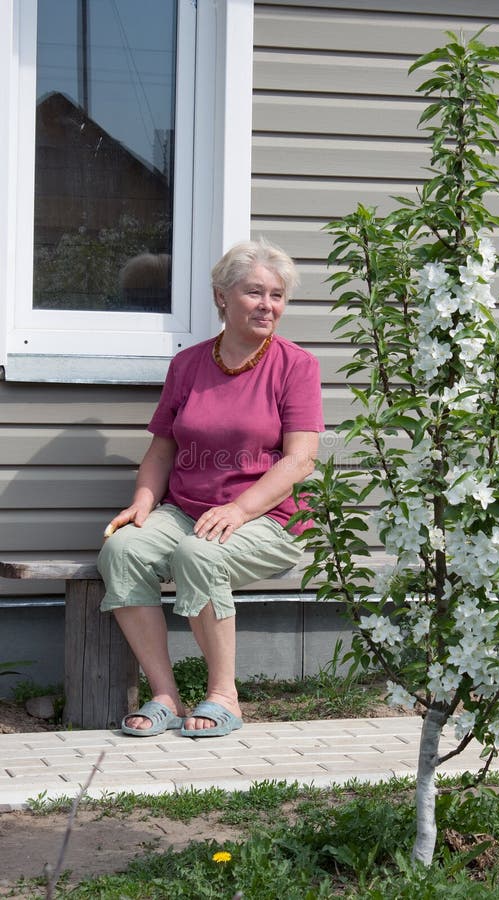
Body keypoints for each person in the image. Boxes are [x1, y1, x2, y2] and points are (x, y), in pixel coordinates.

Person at [97, 239, 324, 738]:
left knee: (199, 555)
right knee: (123, 550)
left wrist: (241, 509)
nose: (268, 305)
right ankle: (165, 694)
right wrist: (142, 501)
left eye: (278, 295)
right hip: (186, 509)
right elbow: (162, 450)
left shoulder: (296, 366)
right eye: (254, 293)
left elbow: (300, 459)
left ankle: (225, 696)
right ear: (221, 297)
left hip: (267, 517)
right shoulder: (188, 365)